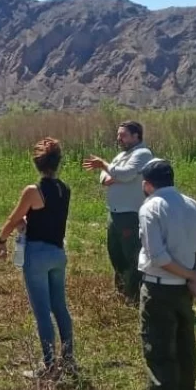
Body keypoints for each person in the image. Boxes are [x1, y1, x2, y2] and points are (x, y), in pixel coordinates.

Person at [136, 158, 196, 390]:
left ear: (147, 185)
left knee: (159, 353)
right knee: (185, 349)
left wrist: (192, 278)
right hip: (183, 292)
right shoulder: (193, 204)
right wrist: (194, 278)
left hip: (159, 289)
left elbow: (158, 258)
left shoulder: (151, 207)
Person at [0, 138, 75, 379]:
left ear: (36, 163)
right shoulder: (64, 189)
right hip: (58, 254)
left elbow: (13, 218)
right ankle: (69, 360)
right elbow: (48, 218)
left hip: (37, 255)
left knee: (42, 312)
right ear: (58, 162)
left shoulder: (33, 191)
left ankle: (49, 366)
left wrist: (0, 240)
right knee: (60, 307)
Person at [83, 121, 153, 305]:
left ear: (136, 136)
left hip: (130, 214)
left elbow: (127, 174)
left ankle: (135, 296)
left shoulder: (143, 154)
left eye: (123, 135)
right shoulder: (122, 155)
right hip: (114, 214)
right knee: (116, 254)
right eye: (118, 135)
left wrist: (106, 166)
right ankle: (121, 293)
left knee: (132, 255)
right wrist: (110, 172)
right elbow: (105, 177)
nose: (119, 138)